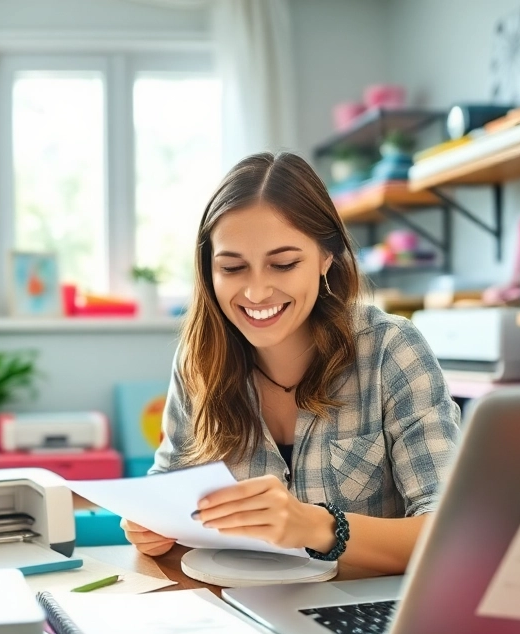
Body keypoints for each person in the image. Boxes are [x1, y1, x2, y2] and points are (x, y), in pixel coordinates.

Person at [122, 151, 460, 574]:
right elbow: (164, 492)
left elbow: (451, 536)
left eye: (283, 264)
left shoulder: (390, 350)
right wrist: (150, 527)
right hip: (237, 609)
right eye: (232, 267)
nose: (257, 292)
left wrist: (318, 527)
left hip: (361, 612)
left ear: (326, 257)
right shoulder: (199, 360)